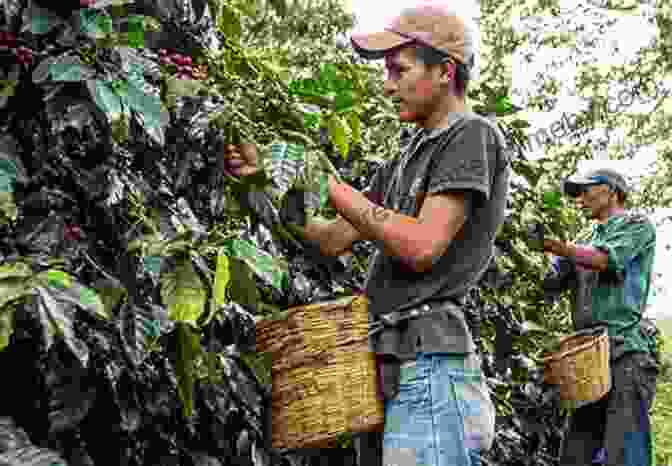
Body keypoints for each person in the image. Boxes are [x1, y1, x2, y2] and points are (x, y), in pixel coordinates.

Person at [224, 3, 509, 466]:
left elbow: (421, 246)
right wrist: (265, 183)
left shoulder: (472, 135)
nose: (387, 84)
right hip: (392, 362)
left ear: (444, 71)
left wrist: (326, 182)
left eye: (399, 69)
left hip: (431, 365)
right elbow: (332, 238)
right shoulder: (404, 158)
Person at [531, 167, 658, 466]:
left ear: (611, 190)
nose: (580, 199)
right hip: (586, 359)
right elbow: (550, 283)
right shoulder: (584, 237)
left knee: (624, 453)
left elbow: (604, 260)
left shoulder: (636, 224)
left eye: (585, 190)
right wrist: (533, 249)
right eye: (576, 195)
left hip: (625, 353)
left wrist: (557, 246)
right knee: (576, 455)